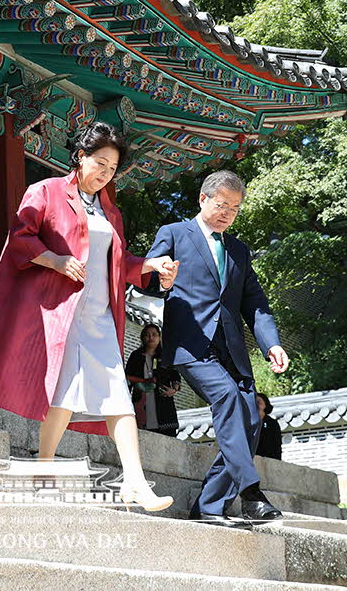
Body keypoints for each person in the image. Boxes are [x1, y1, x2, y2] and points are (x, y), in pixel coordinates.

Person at [0, 122, 180, 511]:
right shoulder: (47, 191)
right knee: (64, 392)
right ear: (81, 157)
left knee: (118, 396)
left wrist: (151, 264)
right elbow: (20, 237)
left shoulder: (111, 212)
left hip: (101, 313)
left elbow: (118, 263)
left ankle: (134, 480)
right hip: (61, 311)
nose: (104, 173)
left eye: (112, 168)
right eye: (99, 162)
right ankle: (44, 467)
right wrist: (56, 260)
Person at [145, 170, 291, 527]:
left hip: (232, 349)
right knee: (226, 398)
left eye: (235, 208)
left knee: (250, 419)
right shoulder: (175, 234)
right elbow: (146, 276)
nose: (228, 213)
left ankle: (209, 506)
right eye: (222, 204)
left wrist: (272, 343)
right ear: (203, 199)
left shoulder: (239, 251)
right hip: (191, 344)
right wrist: (160, 276)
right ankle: (251, 494)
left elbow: (255, 305)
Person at [124, 324, 181, 437]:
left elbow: (176, 377)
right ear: (142, 337)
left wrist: (173, 390)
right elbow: (127, 378)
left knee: (167, 436)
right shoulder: (135, 356)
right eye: (147, 335)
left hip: (163, 401)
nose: (150, 337)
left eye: (154, 335)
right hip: (141, 400)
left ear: (159, 337)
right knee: (142, 435)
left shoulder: (166, 356)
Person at [255, 392, 283, 460]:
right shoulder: (247, 422)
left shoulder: (272, 423)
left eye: (259, 402)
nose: (256, 405)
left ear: (265, 405)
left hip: (270, 459)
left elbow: (276, 446)